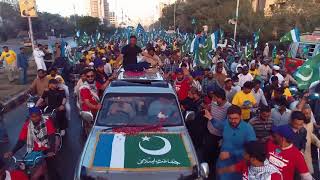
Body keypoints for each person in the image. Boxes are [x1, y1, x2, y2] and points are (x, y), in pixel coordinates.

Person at [204, 105, 256, 180]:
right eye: (230, 118)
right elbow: (219, 125)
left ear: (241, 116)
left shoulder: (248, 129)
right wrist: (211, 118)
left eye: (235, 118)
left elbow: (252, 150)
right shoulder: (227, 123)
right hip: (222, 163)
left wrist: (231, 154)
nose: (233, 121)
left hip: (236, 166)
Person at [4, 107, 56, 180]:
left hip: (47, 148)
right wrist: (12, 151)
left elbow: (52, 137)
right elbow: (21, 141)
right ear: (30, 117)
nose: (35, 118)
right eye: (32, 116)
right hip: (34, 150)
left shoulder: (46, 122)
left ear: (40, 115)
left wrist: (51, 150)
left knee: (52, 167)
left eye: (37, 116)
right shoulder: (27, 125)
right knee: (25, 166)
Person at [217, 141, 282, 180]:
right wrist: (221, 170)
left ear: (253, 159)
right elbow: (234, 168)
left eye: (245, 154)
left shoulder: (274, 176)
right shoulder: (246, 163)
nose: (243, 155)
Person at [204, 88, 231, 172]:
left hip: (219, 136)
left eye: (216, 98)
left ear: (222, 98)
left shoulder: (229, 108)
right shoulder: (213, 102)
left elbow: (223, 126)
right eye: (213, 98)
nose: (214, 100)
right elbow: (210, 108)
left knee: (215, 155)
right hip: (209, 132)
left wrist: (211, 118)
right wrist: (207, 109)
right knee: (207, 152)